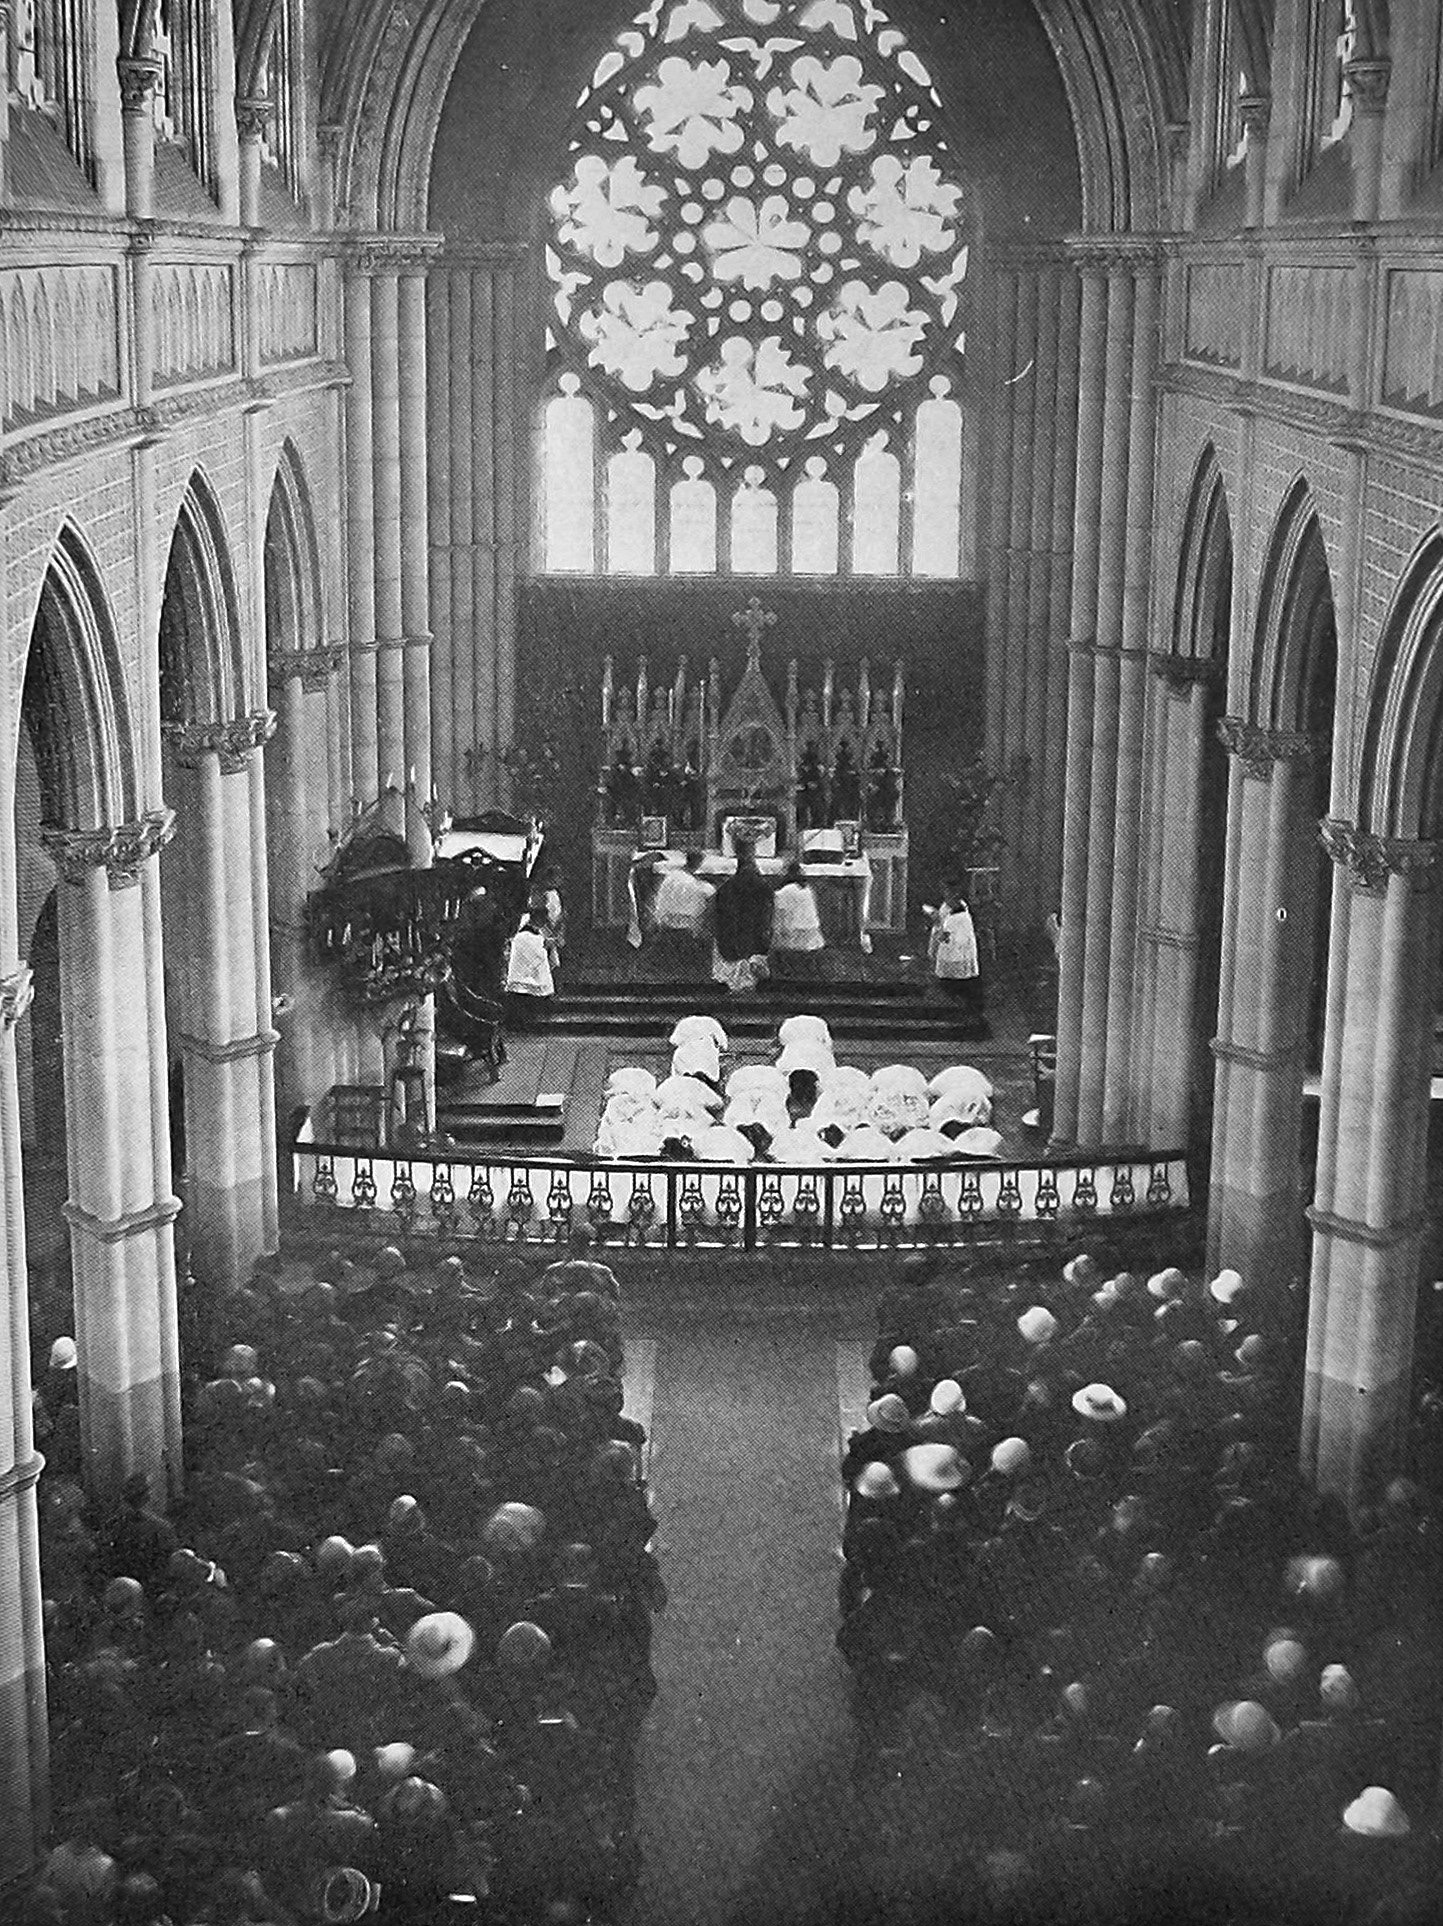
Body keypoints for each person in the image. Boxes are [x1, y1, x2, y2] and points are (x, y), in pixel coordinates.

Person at [711, 838, 774, 994]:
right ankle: (746, 983)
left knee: (736, 953)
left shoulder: (727, 887)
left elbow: (720, 913)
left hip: (734, 931)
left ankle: (735, 984)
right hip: (752, 930)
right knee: (750, 952)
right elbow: (767, 909)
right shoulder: (761, 885)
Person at [650, 851, 714, 971]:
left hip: (665, 921)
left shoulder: (670, 877)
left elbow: (660, 903)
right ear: (699, 864)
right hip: (687, 926)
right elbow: (701, 906)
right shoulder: (696, 885)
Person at [929, 884, 983, 1019]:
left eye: (949, 896)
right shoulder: (947, 908)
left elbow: (946, 937)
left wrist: (937, 924)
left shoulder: (959, 917)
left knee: (956, 986)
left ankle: (961, 1011)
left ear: (955, 897)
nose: (946, 899)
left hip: (957, 955)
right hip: (952, 952)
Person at [770, 858, 826, 981]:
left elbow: (779, 913)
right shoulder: (807, 889)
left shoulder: (783, 892)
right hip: (810, 929)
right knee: (810, 944)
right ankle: (811, 966)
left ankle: (785, 967)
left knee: (777, 941)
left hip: (793, 931)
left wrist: (777, 929)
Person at [504, 915, 554, 1028]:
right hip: (536, 978)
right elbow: (551, 961)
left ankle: (518, 1022)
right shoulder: (539, 939)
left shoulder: (516, 939)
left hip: (517, 978)